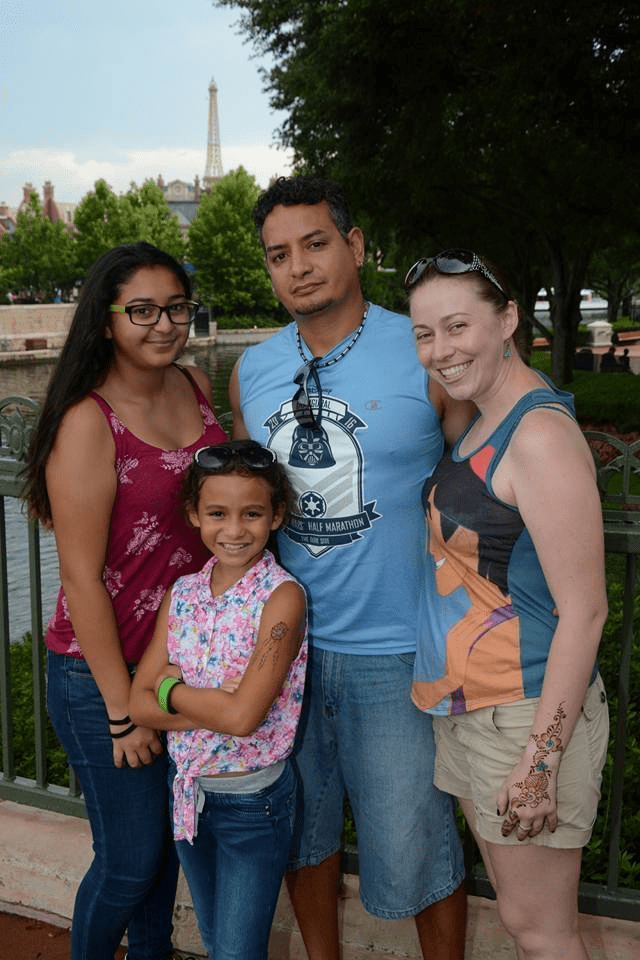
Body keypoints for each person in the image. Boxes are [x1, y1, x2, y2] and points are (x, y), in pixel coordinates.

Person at [229, 176, 470, 960]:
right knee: (301, 836)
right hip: (286, 650)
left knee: (420, 845)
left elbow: (484, 485)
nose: (297, 267)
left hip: (399, 650)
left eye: (315, 244)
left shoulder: (426, 350)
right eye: (278, 255)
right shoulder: (252, 370)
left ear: (355, 245)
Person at [21, 242, 228, 960]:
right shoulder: (88, 420)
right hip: (103, 674)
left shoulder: (194, 384)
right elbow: (80, 580)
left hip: (182, 665)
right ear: (106, 320)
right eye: (141, 310)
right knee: (129, 862)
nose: (163, 324)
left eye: (175, 307)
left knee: (165, 849)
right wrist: (121, 710)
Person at [405, 249, 609, 960]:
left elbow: (586, 612)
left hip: (523, 715)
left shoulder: (539, 436)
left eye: (458, 326)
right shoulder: (480, 418)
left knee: (542, 932)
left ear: (509, 320)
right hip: (473, 710)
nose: (441, 350)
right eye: (425, 334)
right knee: (525, 924)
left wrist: (541, 761)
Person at [129, 439, 307, 960]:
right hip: (188, 794)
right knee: (217, 943)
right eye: (217, 514)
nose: (234, 530)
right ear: (194, 514)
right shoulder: (182, 593)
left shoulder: (282, 598)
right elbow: (137, 705)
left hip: (252, 804)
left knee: (235, 953)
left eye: (252, 514)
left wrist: (170, 690)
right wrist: (209, 705)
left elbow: (243, 717)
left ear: (276, 516)